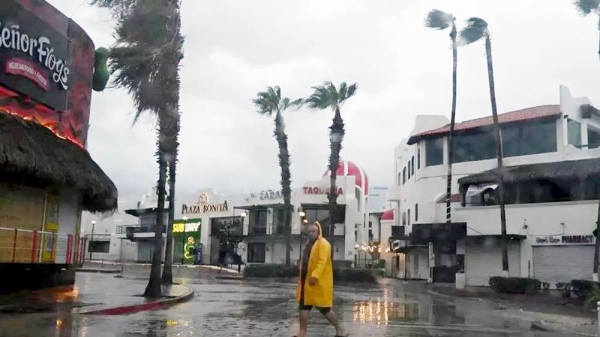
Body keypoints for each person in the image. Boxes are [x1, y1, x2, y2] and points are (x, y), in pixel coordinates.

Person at [294, 221, 347, 337]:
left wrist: (315, 276)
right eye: (309, 231)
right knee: (303, 308)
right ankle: (301, 333)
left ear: (319, 232)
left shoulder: (324, 244)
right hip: (306, 283)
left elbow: (322, 262)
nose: (311, 233)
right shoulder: (308, 244)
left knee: (325, 309)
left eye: (313, 231)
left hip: (318, 283)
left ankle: (340, 330)